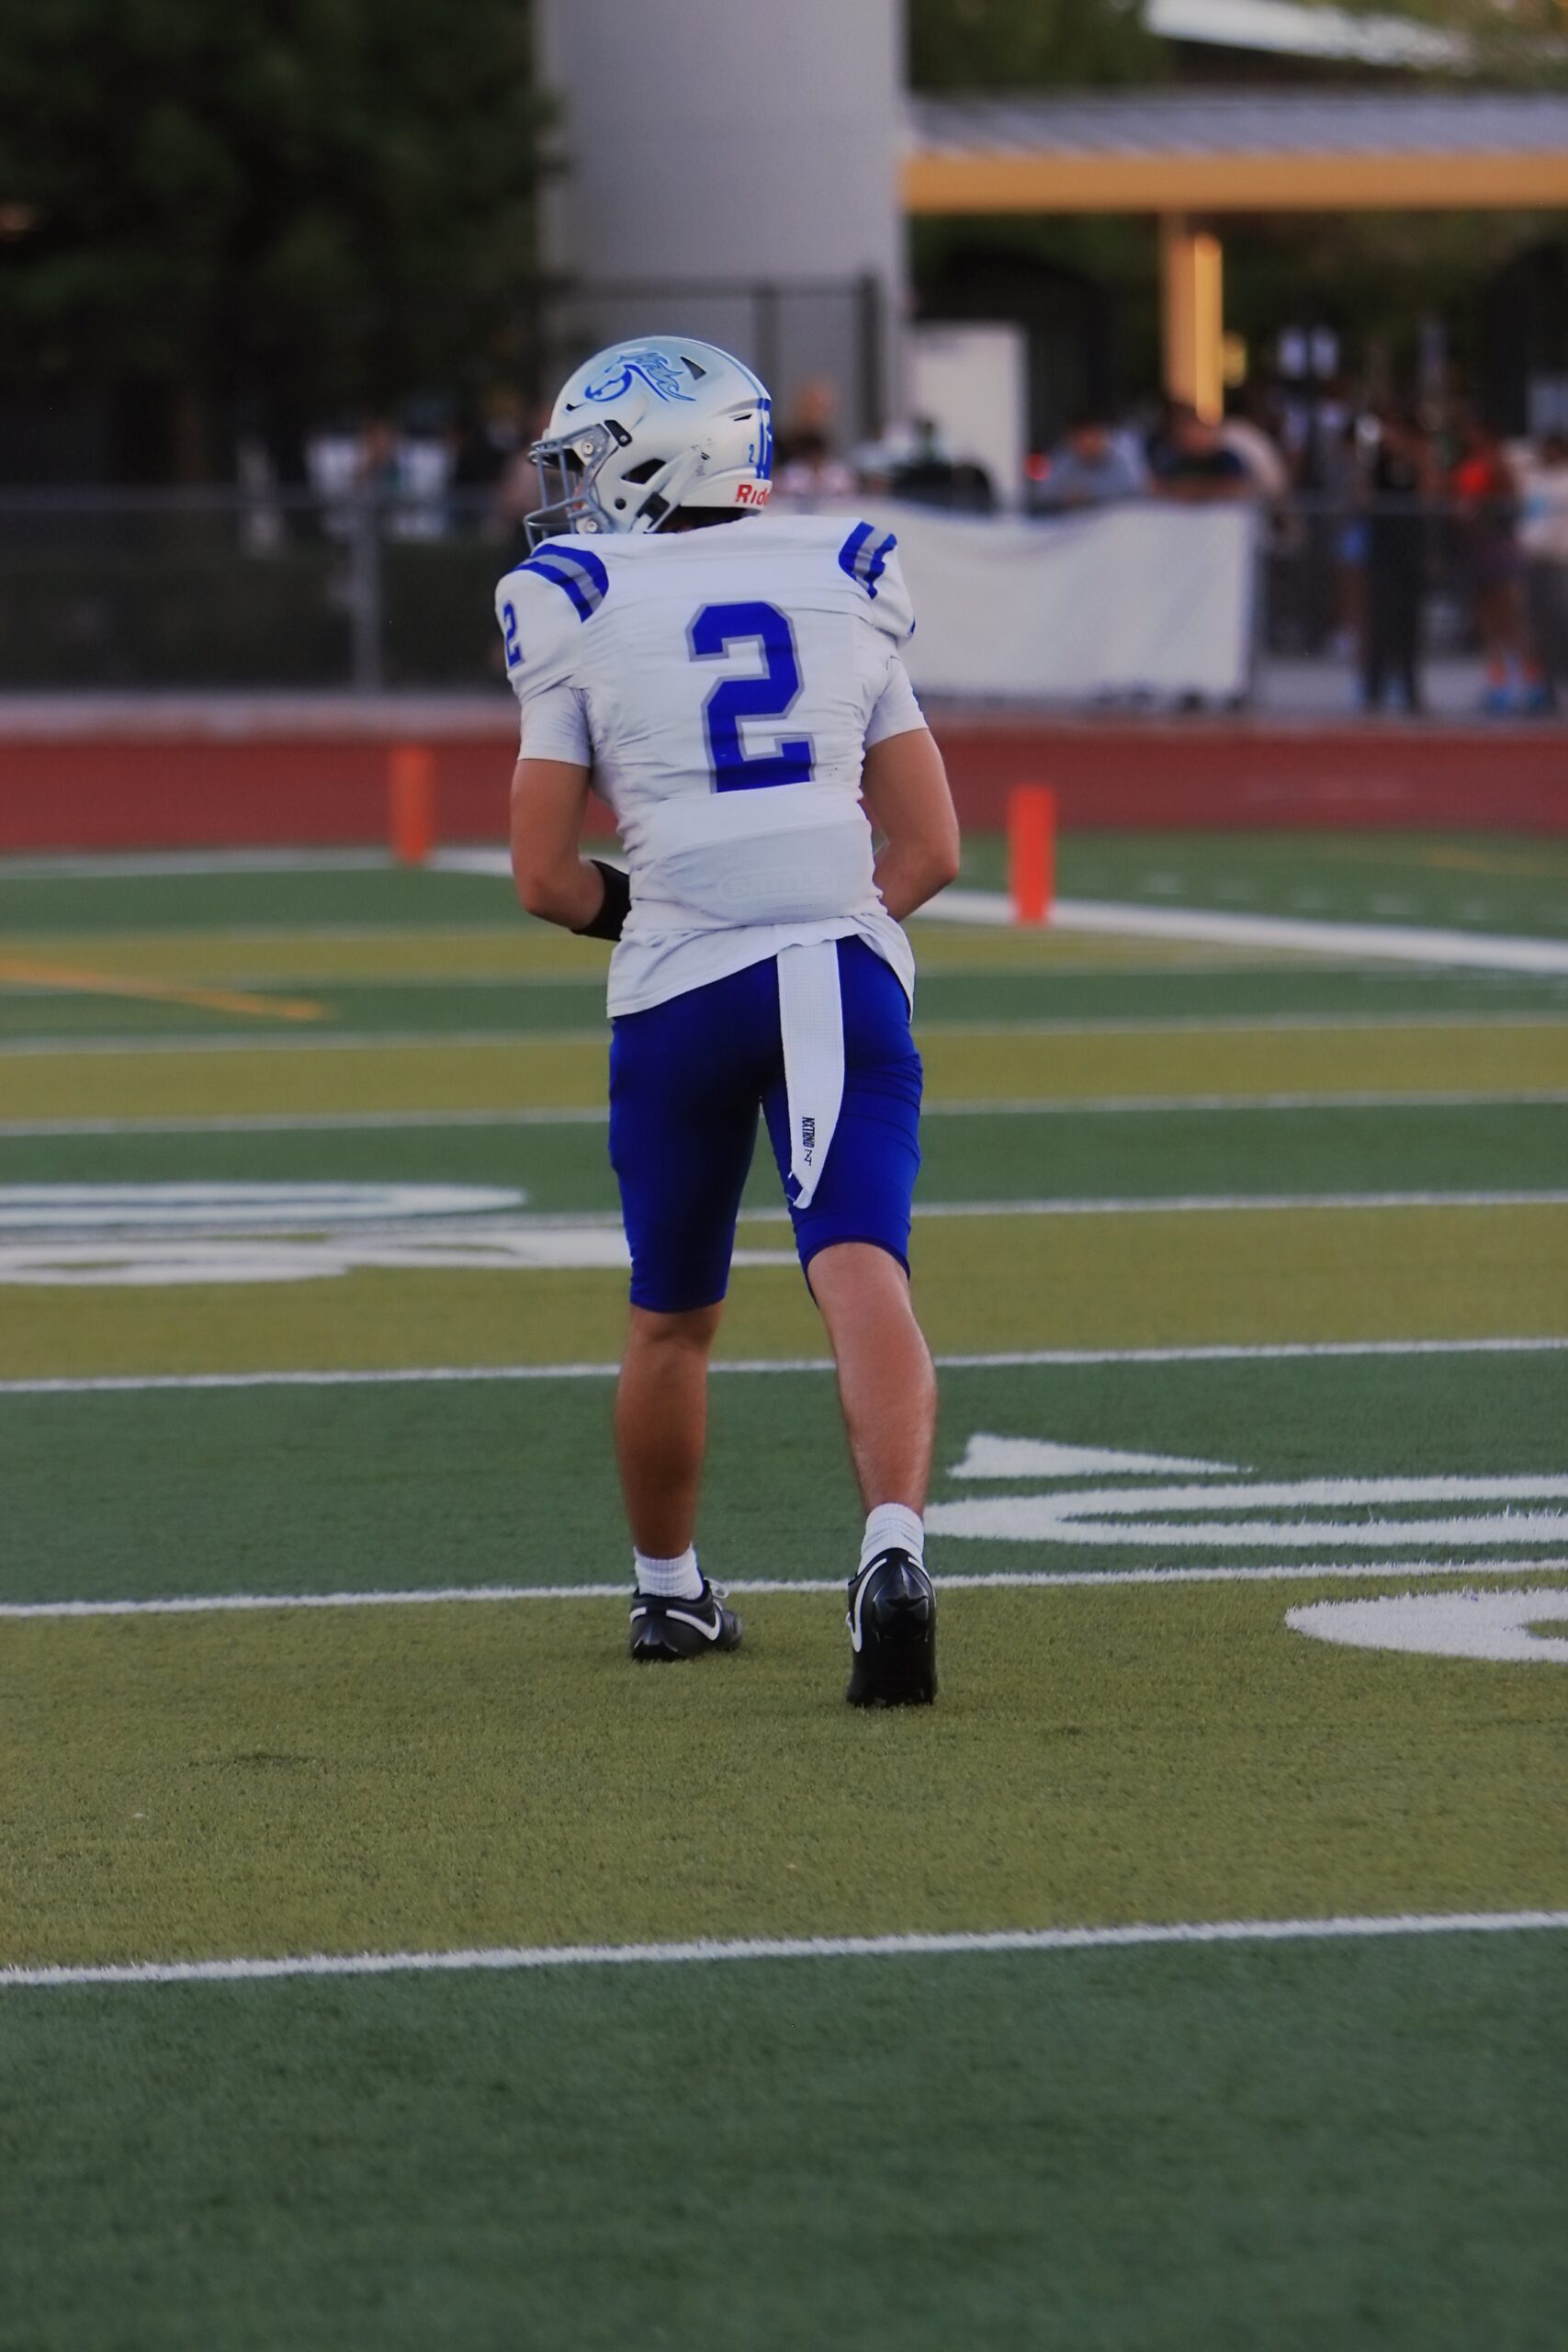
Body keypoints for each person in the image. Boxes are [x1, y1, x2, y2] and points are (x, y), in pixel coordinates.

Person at [495, 337, 960, 1707]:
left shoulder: (574, 598)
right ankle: (891, 1547)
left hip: (676, 987)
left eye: (587, 461)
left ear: (656, 455)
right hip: (834, 971)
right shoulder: (845, 571)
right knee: (859, 1267)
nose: (572, 491)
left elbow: (544, 879)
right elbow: (931, 849)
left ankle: (667, 1593)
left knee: (670, 1314)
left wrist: (667, 916)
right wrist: (823, 917)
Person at [1359, 406, 1431, 716]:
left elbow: (1429, 495)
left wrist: (1417, 458)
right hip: (1382, 552)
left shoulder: (1417, 462)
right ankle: (1373, 688)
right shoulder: (1377, 464)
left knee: (1409, 622)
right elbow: (1362, 497)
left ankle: (1410, 688)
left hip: (1410, 552)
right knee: (1379, 619)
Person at [1030, 413, 1146, 513]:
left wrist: (1092, 497)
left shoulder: (1122, 456)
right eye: (1080, 439)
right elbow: (1042, 495)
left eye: (1091, 437)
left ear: (1102, 436)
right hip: (1078, 526)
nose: (1087, 444)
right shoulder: (1064, 460)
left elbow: (1139, 490)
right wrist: (1063, 499)